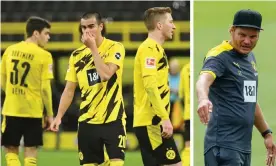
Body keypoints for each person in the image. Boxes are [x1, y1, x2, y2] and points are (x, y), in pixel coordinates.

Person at [196, 9, 276, 166]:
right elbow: (203, 80)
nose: (247, 41)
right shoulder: (219, 55)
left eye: (253, 36)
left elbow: (250, 100)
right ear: (231, 30)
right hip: (223, 146)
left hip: (243, 147)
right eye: (242, 35)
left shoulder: (249, 58)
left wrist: (266, 133)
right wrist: (203, 99)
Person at [50, 12, 126, 166]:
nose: (87, 31)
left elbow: (105, 75)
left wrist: (93, 49)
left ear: (101, 27)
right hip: (87, 121)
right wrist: (58, 116)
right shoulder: (76, 56)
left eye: (91, 26)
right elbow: (69, 90)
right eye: (83, 28)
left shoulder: (115, 47)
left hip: (113, 119)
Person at [1, 16, 53, 166]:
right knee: (31, 152)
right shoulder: (45, 55)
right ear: (36, 33)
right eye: (46, 33)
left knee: (11, 150)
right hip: (33, 112)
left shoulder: (10, 51)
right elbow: (44, 88)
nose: (48, 37)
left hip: (12, 109)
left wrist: (12, 94)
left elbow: (3, 81)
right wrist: (49, 114)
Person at [133, 7, 182, 166]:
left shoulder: (155, 49)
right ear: (160, 25)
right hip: (152, 121)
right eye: (171, 22)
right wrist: (164, 117)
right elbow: (150, 86)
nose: (174, 26)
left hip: (152, 122)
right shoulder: (148, 49)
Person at [179, 62, 190, 166]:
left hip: (188, 113)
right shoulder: (204, 67)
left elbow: (181, 94)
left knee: (188, 146)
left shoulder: (185, 69)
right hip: (205, 112)